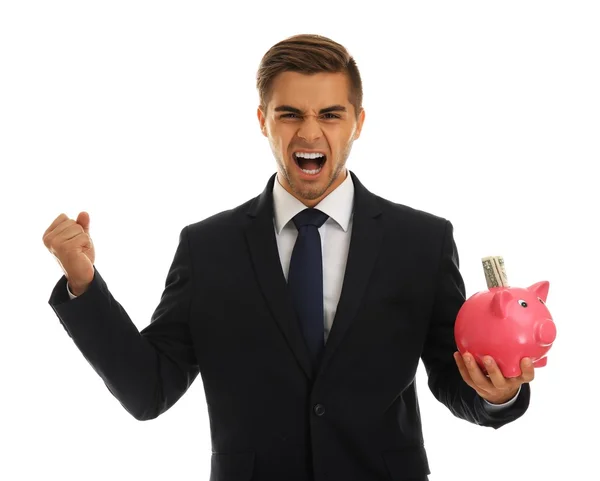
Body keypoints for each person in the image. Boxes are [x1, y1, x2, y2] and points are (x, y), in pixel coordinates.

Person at [43, 34, 534, 481]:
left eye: (330, 114)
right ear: (263, 120)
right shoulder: (208, 248)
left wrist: (498, 394)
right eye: (290, 114)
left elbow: (454, 378)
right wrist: (84, 285)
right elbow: (148, 390)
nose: (310, 133)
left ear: (358, 122)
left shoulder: (422, 241)